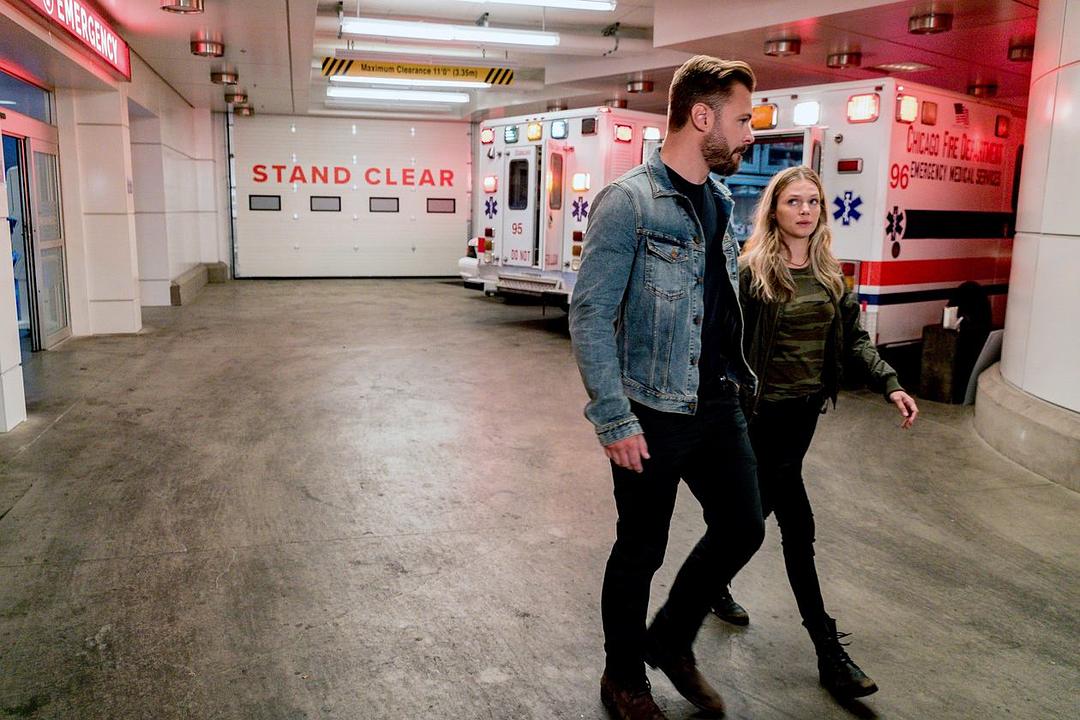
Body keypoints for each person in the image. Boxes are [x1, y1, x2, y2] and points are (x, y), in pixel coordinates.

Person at [569, 55, 761, 720]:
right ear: (702, 116)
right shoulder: (630, 202)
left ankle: (670, 639)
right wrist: (614, 417)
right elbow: (591, 314)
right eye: (742, 119)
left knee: (743, 526)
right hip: (650, 409)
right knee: (641, 549)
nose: (750, 134)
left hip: (716, 402)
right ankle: (624, 678)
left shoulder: (722, 201)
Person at [731, 165, 919, 699]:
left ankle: (712, 582)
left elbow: (854, 340)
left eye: (813, 201)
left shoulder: (831, 275)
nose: (805, 211)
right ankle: (828, 650)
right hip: (761, 416)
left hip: (804, 415)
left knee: (750, 518)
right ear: (774, 210)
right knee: (798, 526)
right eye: (794, 201)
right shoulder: (752, 272)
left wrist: (890, 384)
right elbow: (727, 343)